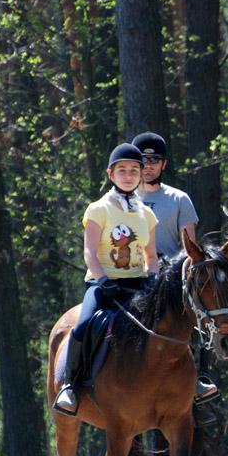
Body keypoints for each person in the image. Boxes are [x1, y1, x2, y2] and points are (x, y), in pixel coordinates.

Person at [53, 143, 159, 415]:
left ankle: (193, 382)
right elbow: (89, 252)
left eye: (134, 170)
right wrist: (103, 281)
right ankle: (70, 386)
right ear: (111, 174)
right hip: (103, 286)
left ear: (141, 174)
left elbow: (151, 256)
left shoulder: (146, 214)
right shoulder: (98, 208)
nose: (128, 175)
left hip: (138, 286)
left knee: (173, 322)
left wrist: (154, 280)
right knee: (84, 324)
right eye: (122, 170)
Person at [131, 131, 216, 405]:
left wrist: (165, 271)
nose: (149, 164)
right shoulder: (122, 198)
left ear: (164, 164)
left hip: (169, 278)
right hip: (131, 272)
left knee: (199, 315)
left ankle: (199, 378)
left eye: (155, 159)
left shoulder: (179, 199)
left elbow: (188, 246)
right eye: (143, 160)